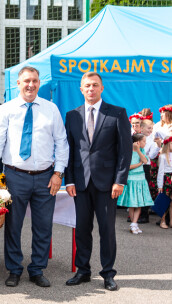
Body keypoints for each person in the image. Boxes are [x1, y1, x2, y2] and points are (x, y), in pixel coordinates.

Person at [0, 66, 69, 288]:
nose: (30, 85)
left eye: (34, 81)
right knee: (13, 225)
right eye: (26, 81)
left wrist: (58, 173)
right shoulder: (6, 109)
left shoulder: (51, 109)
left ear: (39, 83)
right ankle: (14, 269)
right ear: (18, 84)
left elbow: (62, 142)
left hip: (46, 177)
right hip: (14, 176)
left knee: (43, 227)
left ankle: (37, 269)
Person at [64, 72, 132, 291]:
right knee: (82, 229)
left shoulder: (117, 113)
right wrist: (70, 180)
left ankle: (108, 274)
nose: (91, 89)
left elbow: (125, 151)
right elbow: (71, 150)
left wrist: (120, 180)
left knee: (106, 230)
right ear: (81, 89)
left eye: (95, 85)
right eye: (87, 86)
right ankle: (82, 271)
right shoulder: (72, 115)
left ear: (102, 88)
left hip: (107, 184)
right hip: (81, 183)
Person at [116, 133, 154, 234]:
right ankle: (133, 224)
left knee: (139, 203)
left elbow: (145, 160)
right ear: (137, 142)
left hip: (141, 179)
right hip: (131, 180)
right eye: (144, 141)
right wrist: (139, 163)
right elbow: (128, 167)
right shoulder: (128, 152)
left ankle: (134, 223)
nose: (145, 143)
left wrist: (138, 150)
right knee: (132, 204)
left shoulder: (141, 150)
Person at [157, 136, 172, 229]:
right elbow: (160, 171)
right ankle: (162, 221)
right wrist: (159, 185)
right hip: (166, 179)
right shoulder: (162, 156)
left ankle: (171, 221)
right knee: (164, 200)